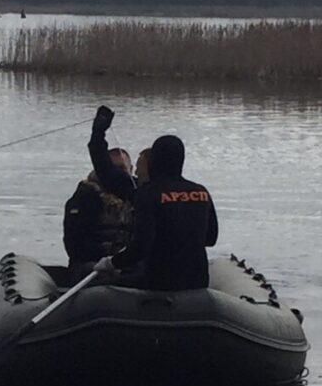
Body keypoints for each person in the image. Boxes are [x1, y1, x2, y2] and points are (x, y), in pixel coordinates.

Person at [97, 133, 218, 290]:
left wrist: (111, 263)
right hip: (197, 281)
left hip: (159, 282)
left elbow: (141, 246)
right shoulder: (201, 192)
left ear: (154, 161)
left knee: (98, 287)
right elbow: (211, 238)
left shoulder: (148, 194)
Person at [62, 107, 136, 275]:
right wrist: (108, 260)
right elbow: (75, 244)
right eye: (116, 168)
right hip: (93, 265)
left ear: (132, 169)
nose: (121, 173)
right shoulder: (86, 196)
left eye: (125, 168)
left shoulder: (137, 192)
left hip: (126, 264)